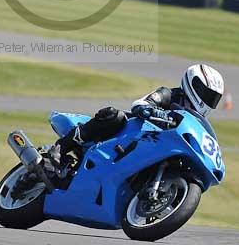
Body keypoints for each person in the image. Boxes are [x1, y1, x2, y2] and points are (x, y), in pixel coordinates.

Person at [47, 63, 225, 173]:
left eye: (213, 98)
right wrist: (152, 111)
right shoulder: (168, 94)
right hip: (132, 134)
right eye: (206, 94)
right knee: (114, 115)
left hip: (157, 148)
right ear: (193, 84)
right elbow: (140, 103)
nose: (208, 100)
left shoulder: (196, 122)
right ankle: (61, 146)